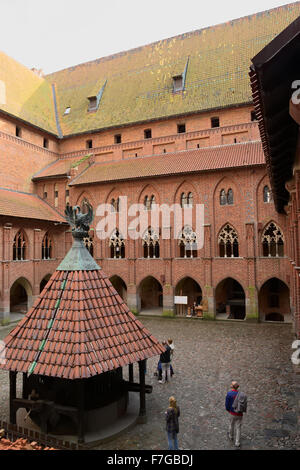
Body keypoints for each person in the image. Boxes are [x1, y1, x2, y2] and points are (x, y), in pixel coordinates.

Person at [225, 381, 244, 448]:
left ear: (232, 387)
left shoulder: (229, 394)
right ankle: (237, 442)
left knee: (231, 424)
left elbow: (227, 405)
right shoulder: (241, 394)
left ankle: (231, 436)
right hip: (239, 413)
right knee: (238, 428)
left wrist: (228, 410)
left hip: (232, 412)